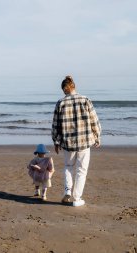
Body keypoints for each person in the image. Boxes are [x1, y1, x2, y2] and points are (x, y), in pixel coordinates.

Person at [52, 76, 101, 207]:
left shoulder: (60, 103)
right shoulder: (85, 100)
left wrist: (56, 141)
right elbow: (94, 120)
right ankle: (77, 198)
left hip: (68, 142)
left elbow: (55, 124)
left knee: (68, 167)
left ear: (64, 89)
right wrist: (97, 136)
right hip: (84, 141)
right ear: (74, 86)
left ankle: (67, 191)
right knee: (81, 170)